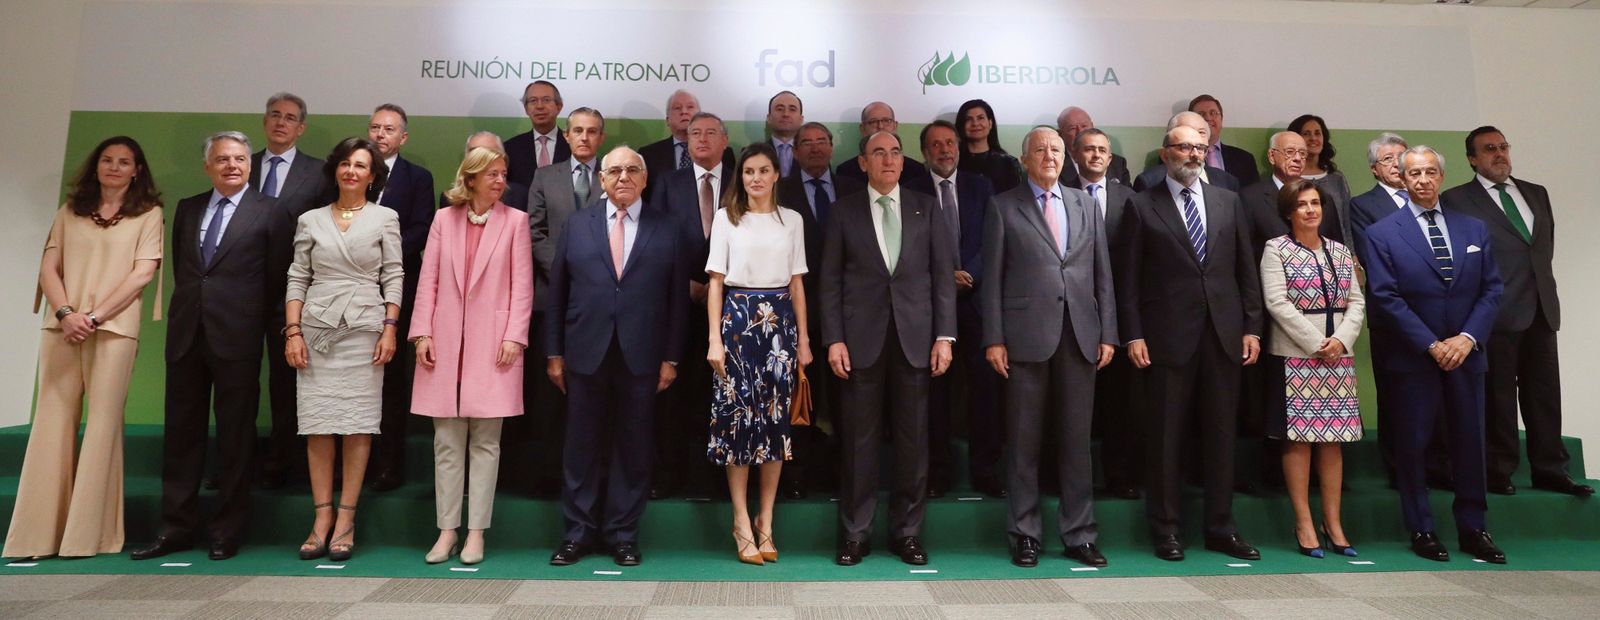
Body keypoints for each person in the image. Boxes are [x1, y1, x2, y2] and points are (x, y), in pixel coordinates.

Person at [4, 137, 163, 560]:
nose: (114, 167)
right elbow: (48, 268)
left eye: (124, 161)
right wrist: (67, 314)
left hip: (112, 331)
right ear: (95, 167)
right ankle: (35, 537)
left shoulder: (149, 215)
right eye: (107, 160)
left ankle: (85, 537)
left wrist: (94, 317)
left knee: (102, 428)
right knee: (50, 424)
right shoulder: (68, 212)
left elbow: (141, 275)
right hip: (62, 329)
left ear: (137, 170)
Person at [132, 132, 283, 562]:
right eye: (222, 159)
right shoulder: (188, 208)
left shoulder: (271, 212)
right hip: (186, 338)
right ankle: (176, 528)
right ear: (208, 166)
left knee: (235, 441)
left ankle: (226, 531)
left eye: (239, 159)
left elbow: (274, 279)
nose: (232, 165)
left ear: (250, 166)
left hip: (237, 339)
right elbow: (188, 272)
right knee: (181, 438)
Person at [1115, 124, 1263, 562]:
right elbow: (1128, 280)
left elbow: (1244, 271)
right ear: (1166, 154)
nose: (1193, 154)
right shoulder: (1141, 206)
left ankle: (1221, 528)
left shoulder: (1228, 200)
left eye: (1200, 147)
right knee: (1166, 439)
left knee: (1221, 436)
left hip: (1223, 335)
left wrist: (1252, 327)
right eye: (1184, 147)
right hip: (1165, 338)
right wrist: (1134, 333)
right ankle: (1167, 530)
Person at [1361, 145, 1505, 564]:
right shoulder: (1382, 233)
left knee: (1469, 442)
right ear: (1401, 180)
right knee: (1413, 444)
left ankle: (1474, 528)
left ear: (1440, 177)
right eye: (1413, 174)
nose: (1422, 180)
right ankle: (1422, 527)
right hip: (1413, 357)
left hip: (1466, 354)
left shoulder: (1473, 229)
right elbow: (1385, 296)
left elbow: (1492, 289)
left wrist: (1466, 338)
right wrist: (1431, 343)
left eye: (1429, 172)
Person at [980, 127, 1117, 569]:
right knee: (1024, 441)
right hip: (1023, 338)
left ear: (1068, 157)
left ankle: (1080, 534)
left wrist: (1108, 332)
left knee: (1077, 441)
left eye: (1056, 149)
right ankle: (1025, 533)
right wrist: (994, 337)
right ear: (1024, 159)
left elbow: (1103, 274)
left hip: (1080, 334)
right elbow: (993, 280)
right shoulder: (1003, 206)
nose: (1049, 156)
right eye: (1040, 150)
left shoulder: (1084, 203)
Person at [546, 146, 688, 568]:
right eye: (614, 171)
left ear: (645, 180)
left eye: (631, 170)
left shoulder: (669, 227)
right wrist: (554, 353)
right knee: (580, 448)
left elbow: (678, 301)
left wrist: (672, 358)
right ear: (601, 180)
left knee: (634, 447)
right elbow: (557, 296)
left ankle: (623, 535)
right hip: (583, 353)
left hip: (643, 356)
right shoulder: (577, 224)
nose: (623, 177)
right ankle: (577, 535)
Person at [821, 131, 957, 567]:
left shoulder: (925, 206)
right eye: (878, 153)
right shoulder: (843, 211)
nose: (888, 160)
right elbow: (830, 281)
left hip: (916, 340)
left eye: (895, 152)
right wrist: (834, 338)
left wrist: (945, 336)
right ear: (862, 163)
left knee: (913, 442)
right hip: (859, 342)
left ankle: (908, 533)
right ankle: (856, 534)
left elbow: (942, 277)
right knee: (859, 443)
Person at [1444, 127, 1591, 496]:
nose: (1499, 154)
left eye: (1503, 147)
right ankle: (1499, 469)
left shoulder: (1535, 193)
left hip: (1541, 307)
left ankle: (1550, 469)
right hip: (1495, 311)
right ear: (1472, 159)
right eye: (1489, 149)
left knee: (1544, 392)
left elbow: (1543, 249)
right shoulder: (1458, 199)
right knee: (1499, 396)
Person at [410, 147, 534, 565]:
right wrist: (422, 331)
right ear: (471, 178)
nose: (501, 181)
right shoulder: (444, 219)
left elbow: (523, 286)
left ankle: (476, 533)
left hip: (494, 344)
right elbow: (428, 280)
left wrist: (515, 336)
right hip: (444, 343)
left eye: (503, 173)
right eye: (492, 174)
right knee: (446, 442)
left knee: (486, 442)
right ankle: (446, 532)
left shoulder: (515, 221)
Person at [284, 137, 404, 562]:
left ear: (373, 175)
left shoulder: (386, 217)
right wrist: (293, 331)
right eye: (346, 164)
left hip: (364, 330)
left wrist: (390, 328)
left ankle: (347, 518)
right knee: (318, 425)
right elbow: (298, 275)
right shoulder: (310, 219)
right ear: (335, 169)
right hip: (316, 331)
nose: (352, 171)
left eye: (361, 165)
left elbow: (394, 275)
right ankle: (321, 517)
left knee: (357, 425)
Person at [704, 143, 811, 565]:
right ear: (741, 176)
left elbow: (798, 284)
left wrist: (803, 340)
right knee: (738, 427)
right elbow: (715, 283)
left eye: (764, 170)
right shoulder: (726, 219)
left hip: (780, 327)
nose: (756, 178)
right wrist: (714, 338)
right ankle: (740, 522)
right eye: (749, 171)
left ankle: (766, 520)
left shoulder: (793, 221)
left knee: (774, 426)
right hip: (737, 324)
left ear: (775, 175)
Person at [1259, 179, 1366, 559]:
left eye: (1316, 203)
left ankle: (1333, 522)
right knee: (1300, 441)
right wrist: (1315, 342)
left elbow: (1356, 300)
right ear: (1289, 211)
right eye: (1302, 204)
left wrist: (1341, 340)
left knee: (1332, 442)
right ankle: (1304, 521)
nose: (1310, 210)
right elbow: (1276, 301)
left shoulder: (1339, 251)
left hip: (1338, 356)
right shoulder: (1277, 249)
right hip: (1296, 356)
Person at [904, 120, 1001, 499]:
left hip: (976, 304)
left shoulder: (981, 186)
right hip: (929, 309)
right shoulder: (910, 190)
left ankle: (986, 472)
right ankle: (938, 473)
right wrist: (945, 276)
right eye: (936, 145)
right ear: (925, 152)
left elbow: (993, 238)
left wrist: (968, 274)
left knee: (985, 394)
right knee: (934, 397)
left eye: (950, 143)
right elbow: (910, 250)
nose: (944, 150)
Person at [775, 121, 865, 499]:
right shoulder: (780, 192)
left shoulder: (854, 189)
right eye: (805, 143)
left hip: (854, 309)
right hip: (799, 309)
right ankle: (797, 475)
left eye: (821, 142)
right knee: (800, 395)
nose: (814, 148)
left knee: (850, 398)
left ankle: (846, 476)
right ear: (794, 153)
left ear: (832, 147)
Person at [652, 112, 738, 499]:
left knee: (722, 393)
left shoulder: (743, 181)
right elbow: (653, 238)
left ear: (725, 140)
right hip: (677, 303)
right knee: (676, 394)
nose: (701, 139)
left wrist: (720, 284)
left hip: (733, 304)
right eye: (694, 133)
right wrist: (683, 284)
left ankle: (717, 479)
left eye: (709, 133)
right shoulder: (667, 184)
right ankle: (671, 475)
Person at [526, 108, 605, 498]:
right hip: (551, 299)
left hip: (602, 303)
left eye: (592, 132)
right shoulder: (545, 176)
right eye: (578, 131)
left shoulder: (616, 176)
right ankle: (546, 478)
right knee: (550, 396)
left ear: (601, 138)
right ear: (567, 136)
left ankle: (596, 478)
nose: (585, 138)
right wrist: (563, 269)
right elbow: (534, 230)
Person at [256, 92, 329, 490]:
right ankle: (239, 461)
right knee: (237, 381)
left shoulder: (318, 174)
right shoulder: (240, 166)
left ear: (301, 128)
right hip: (240, 292)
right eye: (275, 115)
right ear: (264, 121)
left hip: (293, 292)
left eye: (290, 118)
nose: (281, 123)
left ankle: (285, 463)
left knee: (286, 382)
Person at [368, 103, 436, 492]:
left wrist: (378, 256)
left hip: (396, 288)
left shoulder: (417, 178)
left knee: (391, 380)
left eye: (389, 129)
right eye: (375, 127)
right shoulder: (350, 172)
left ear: (403, 137)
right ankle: (350, 464)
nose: (380, 135)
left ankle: (388, 465)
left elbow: (421, 229)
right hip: (348, 290)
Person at [1072, 128, 1141, 500]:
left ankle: (1120, 476)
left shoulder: (1130, 200)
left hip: (1117, 313)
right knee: (1072, 404)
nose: (1096, 155)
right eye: (1089, 149)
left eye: (1102, 150)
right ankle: (1070, 479)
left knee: (1120, 403)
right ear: (1075, 155)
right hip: (1071, 312)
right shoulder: (1060, 195)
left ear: (1110, 158)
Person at [640, 89, 733, 200]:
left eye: (690, 107)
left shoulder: (724, 153)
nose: (684, 112)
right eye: (677, 108)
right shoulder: (648, 155)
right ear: (667, 120)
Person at [1133, 112, 1240, 192]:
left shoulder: (1228, 182)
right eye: (1187, 130)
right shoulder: (1148, 181)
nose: (1195, 137)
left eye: (1201, 132)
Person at [1289, 114, 1354, 245]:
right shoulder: (1290, 178)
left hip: (1337, 249)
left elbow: (1346, 220)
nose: (1313, 138)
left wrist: (1351, 253)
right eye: (1306, 134)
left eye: (1318, 133)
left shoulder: (1337, 178)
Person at [1349, 133, 1410, 260]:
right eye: (1388, 159)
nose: (1397, 164)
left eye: (1401, 157)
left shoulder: (1426, 197)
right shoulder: (1362, 205)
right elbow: (1369, 255)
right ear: (1374, 169)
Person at [835, 102, 930, 183]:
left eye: (886, 121)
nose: (880, 126)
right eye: (873, 122)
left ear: (895, 126)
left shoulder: (916, 170)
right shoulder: (846, 171)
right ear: (862, 128)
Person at [439, 133, 527, 212]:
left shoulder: (520, 197)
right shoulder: (449, 200)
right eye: (475, 152)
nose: (481, 158)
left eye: (489, 152)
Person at [505, 81, 568, 185]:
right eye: (533, 101)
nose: (539, 106)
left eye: (546, 100)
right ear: (526, 109)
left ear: (559, 107)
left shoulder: (573, 145)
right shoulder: (510, 148)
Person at [1190, 94, 1260, 186]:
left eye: (1213, 113)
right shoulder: (1182, 156)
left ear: (1221, 119)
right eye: (1201, 114)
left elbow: (1253, 195)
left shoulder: (1245, 159)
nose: (1208, 118)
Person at [955, 99, 1023, 193]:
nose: (975, 123)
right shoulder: (954, 162)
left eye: (980, 118)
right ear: (961, 125)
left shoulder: (1008, 163)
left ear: (990, 123)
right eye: (968, 119)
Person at [1056, 106, 1131, 186]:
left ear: (1092, 126)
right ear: (1060, 134)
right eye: (1072, 128)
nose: (1080, 132)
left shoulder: (1117, 164)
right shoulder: (1055, 165)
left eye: (1084, 126)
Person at [765, 91, 804, 177]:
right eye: (779, 109)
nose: (786, 114)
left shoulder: (812, 154)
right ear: (769, 118)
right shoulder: (753, 153)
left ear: (801, 119)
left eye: (792, 109)